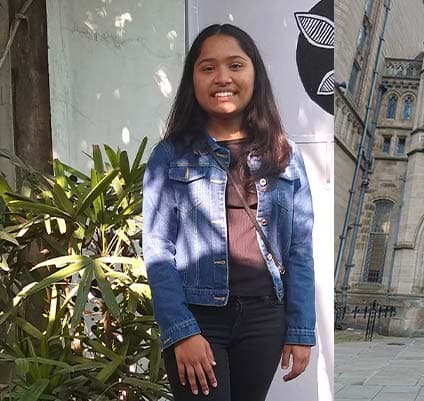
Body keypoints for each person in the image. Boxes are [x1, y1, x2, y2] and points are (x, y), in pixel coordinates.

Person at [142, 23, 315, 401]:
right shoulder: (170, 154)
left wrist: (301, 330)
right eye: (208, 68)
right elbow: (157, 249)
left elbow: (300, 247)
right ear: (193, 79)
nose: (223, 77)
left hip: (265, 318)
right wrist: (182, 330)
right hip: (200, 319)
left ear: (254, 73)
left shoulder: (285, 156)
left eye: (235, 65)